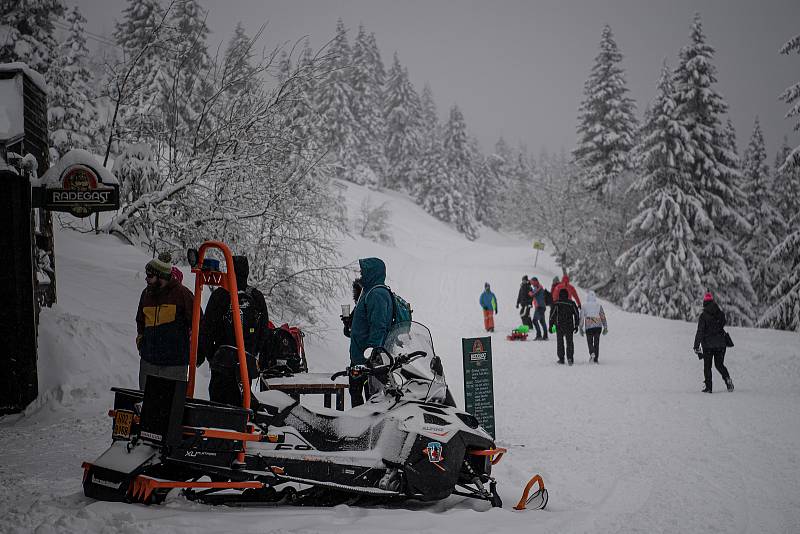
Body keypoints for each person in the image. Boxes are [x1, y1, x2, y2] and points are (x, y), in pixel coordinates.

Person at [199, 255, 269, 406]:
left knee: (218, 406)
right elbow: (264, 330)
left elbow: (206, 330)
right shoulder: (256, 297)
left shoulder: (220, 295)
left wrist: (212, 356)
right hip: (245, 361)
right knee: (241, 403)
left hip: (221, 363)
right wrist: (252, 352)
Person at [135, 252, 196, 389]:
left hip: (174, 365)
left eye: (150, 276)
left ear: (161, 277)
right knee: (146, 406)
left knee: (170, 407)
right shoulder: (146, 294)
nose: (146, 279)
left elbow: (198, 323)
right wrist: (141, 341)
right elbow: (140, 320)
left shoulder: (182, 294)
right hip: (148, 362)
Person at [347, 257, 393, 407]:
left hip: (368, 361)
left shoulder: (377, 294)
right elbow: (363, 326)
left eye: (364, 270)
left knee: (370, 403)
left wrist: (372, 356)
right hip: (360, 358)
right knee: (357, 397)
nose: (361, 274)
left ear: (373, 272)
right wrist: (349, 325)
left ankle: (366, 430)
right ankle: (359, 429)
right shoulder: (367, 292)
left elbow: (379, 327)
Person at [693, 292, 734, 393]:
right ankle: (727, 379)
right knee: (719, 364)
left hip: (708, 345)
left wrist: (696, 345)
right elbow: (723, 323)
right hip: (721, 344)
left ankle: (709, 387)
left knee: (707, 366)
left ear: (704, 303)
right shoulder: (719, 313)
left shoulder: (703, 316)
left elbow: (700, 331)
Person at [549, 288, 580, 365]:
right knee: (569, 342)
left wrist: (550, 325)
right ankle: (570, 358)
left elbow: (552, 315)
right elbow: (576, 314)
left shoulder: (556, 303)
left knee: (560, 342)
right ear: (567, 295)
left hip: (559, 325)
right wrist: (576, 325)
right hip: (569, 326)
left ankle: (561, 358)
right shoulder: (571, 303)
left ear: (559, 295)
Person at [579, 290, 608, 363]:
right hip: (598, 326)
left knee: (590, 341)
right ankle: (596, 359)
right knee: (596, 342)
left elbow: (582, 317)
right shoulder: (598, 305)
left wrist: (580, 328)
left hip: (589, 326)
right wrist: (605, 326)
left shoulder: (584, 306)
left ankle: (592, 352)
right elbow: (602, 316)